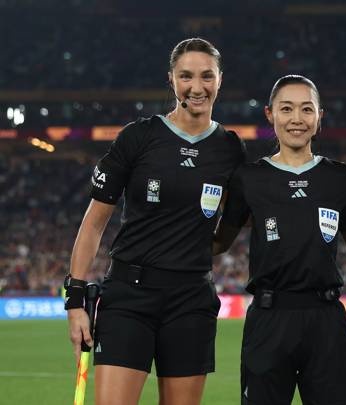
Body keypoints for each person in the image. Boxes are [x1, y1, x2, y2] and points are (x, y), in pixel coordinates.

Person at [65, 38, 245, 405]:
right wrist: (75, 300)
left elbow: (235, 222)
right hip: (129, 297)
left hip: (191, 301)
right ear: (171, 79)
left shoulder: (230, 148)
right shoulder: (139, 137)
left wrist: (202, 248)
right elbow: (94, 222)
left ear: (220, 80)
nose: (197, 87)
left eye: (206, 76)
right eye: (186, 76)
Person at [214, 74, 346, 405]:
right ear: (270, 114)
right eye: (286, 109)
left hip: (326, 320)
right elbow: (219, 243)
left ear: (319, 116)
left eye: (306, 109)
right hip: (268, 319)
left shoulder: (339, 178)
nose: (297, 119)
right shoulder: (248, 179)